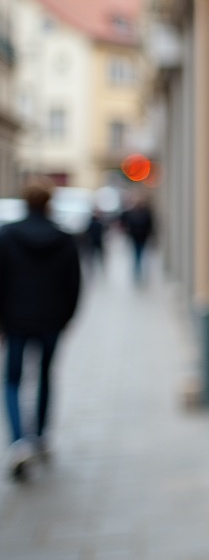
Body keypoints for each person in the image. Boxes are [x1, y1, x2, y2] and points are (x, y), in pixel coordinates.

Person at [1, 179, 82, 480]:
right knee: (46, 375)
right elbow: (74, 283)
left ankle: (19, 441)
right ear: (48, 203)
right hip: (51, 321)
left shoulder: (8, 235)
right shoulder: (62, 238)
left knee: (12, 380)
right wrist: (67, 318)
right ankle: (41, 436)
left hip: (15, 321)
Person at [121, 194, 155, 284]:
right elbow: (127, 224)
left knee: (141, 255)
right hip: (135, 238)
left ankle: (141, 273)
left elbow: (150, 225)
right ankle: (137, 273)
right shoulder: (131, 213)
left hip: (143, 238)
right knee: (137, 255)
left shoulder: (146, 213)